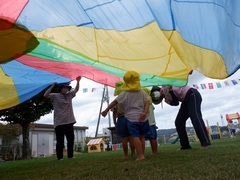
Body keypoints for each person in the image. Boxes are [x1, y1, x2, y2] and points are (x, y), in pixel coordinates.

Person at [102, 71, 150, 160]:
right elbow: (147, 102)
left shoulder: (124, 94)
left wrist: (106, 109)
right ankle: (142, 154)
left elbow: (114, 102)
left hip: (131, 119)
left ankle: (140, 156)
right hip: (143, 118)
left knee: (135, 136)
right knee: (142, 137)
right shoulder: (143, 92)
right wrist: (144, 112)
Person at [151, 85, 211, 150]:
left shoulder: (166, 84)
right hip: (185, 100)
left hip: (192, 93)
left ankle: (205, 142)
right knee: (179, 122)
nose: (155, 96)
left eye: (154, 94)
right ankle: (185, 146)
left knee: (195, 117)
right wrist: (171, 92)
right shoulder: (166, 99)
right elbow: (176, 103)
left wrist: (170, 89)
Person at [43, 76, 81, 160]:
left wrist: (78, 81)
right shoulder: (55, 96)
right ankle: (60, 157)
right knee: (60, 141)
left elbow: (76, 90)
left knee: (70, 139)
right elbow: (45, 95)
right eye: (64, 88)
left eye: (67, 88)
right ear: (60, 89)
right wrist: (52, 86)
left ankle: (70, 156)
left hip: (69, 120)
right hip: (59, 122)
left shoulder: (69, 96)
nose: (66, 89)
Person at [112, 81, 135, 158]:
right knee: (131, 137)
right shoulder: (128, 98)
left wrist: (115, 123)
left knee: (124, 138)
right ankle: (133, 153)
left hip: (121, 119)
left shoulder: (116, 100)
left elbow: (114, 113)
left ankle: (125, 155)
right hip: (130, 117)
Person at [142, 87, 158, 154]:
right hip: (153, 122)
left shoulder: (145, 103)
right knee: (154, 137)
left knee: (151, 138)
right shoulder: (150, 102)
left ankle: (154, 151)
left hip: (148, 122)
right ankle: (155, 151)